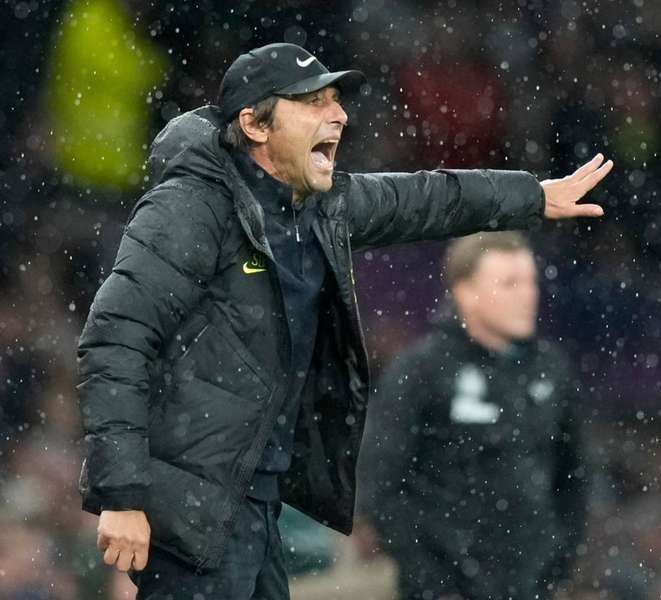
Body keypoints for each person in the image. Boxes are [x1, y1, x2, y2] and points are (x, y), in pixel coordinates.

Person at [75, 42, 612, 599]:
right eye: (312, 102)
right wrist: (121, 493)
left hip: (253, 498)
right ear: (255, 125)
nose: (339, 114)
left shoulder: (316, 207)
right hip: (196, 500)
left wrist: (532, 195)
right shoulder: (190, 207)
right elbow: (114, 340)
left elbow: (427, 198)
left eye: (336, 100)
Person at [358, 232, 586, 600]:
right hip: (442, 589)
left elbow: (574, 479)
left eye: (530, 281)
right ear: (466, 293)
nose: (528, 294)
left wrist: (558, 566)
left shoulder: (551, 370)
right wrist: (429, 575)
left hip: (530, 586)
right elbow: (380, 485)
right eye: (510, 283)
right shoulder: (420, 371)